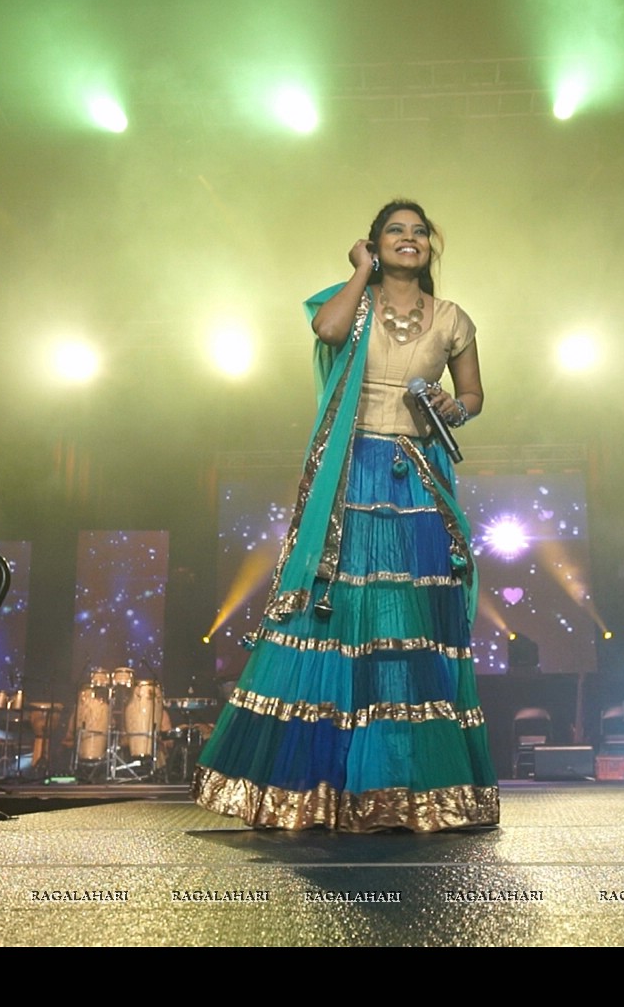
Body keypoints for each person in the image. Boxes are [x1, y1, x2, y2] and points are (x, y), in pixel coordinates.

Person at [191, 200, 498, 831]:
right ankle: (322, 788)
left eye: (419, 233)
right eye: (395, 232)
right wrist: (360, 271)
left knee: (407, 624)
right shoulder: (355, 302)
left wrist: (455, 406)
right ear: (374, 243)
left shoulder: (453, 318)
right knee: (340, 615)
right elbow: (327, 332)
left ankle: (408, 787)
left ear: (430, 249)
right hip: (351, 473)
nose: (409, 240)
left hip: (415, 479)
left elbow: (473, 393)